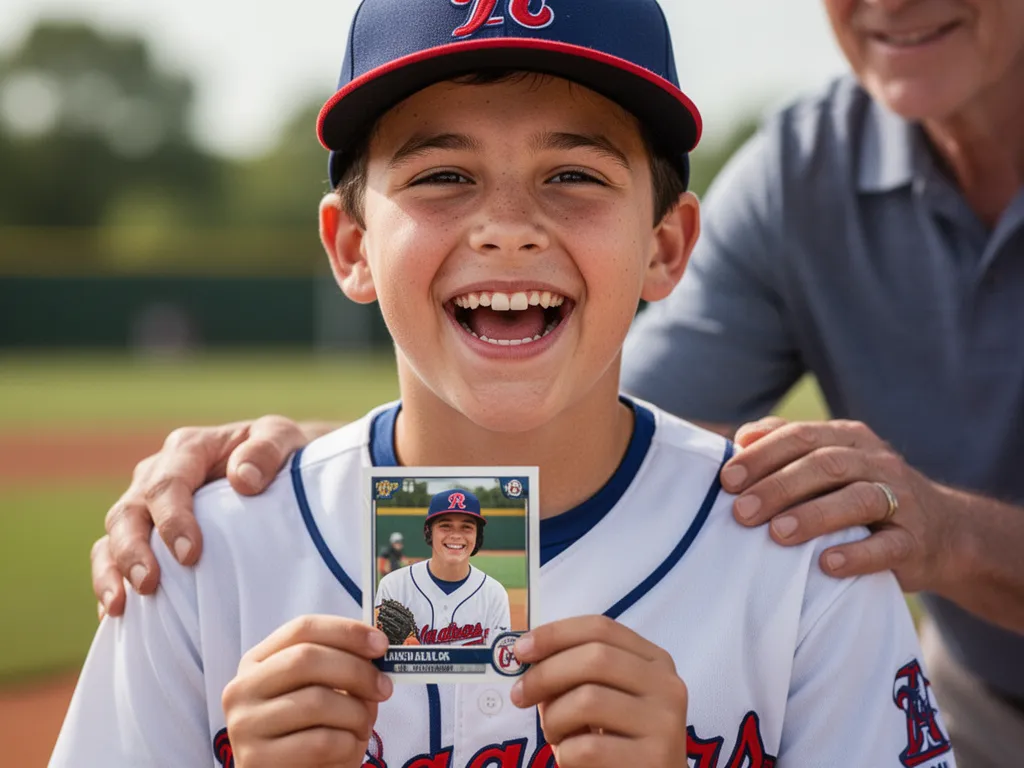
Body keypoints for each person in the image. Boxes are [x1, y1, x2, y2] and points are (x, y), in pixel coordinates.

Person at [89, 1, 1024, 764]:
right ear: (351, 245)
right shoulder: (200, 560)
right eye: (443, 174)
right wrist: (309, 484)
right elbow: (540, 413)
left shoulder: (811, 563)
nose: (507, 226)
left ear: (668, 248)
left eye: (573, 173)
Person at [375, 489, 511, 647]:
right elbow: (379, 658)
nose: (456, 535)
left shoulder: (494, 593)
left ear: (477, 536)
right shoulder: (393, 586)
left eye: (466, 527)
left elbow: (499, 663)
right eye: (445, 526)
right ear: (429, 531)